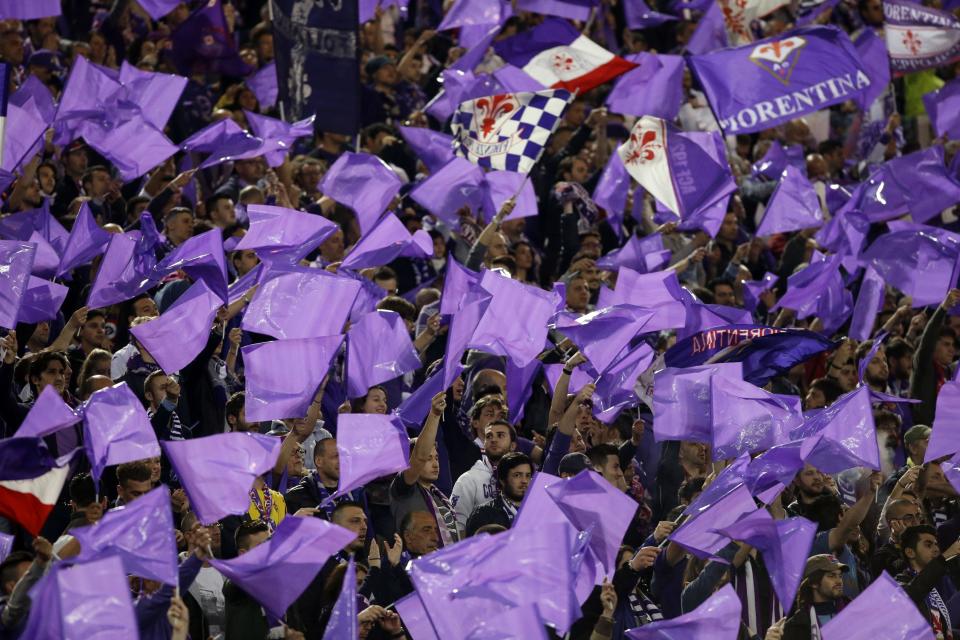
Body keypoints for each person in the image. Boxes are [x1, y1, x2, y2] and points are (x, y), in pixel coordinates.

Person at [390, 391, 458, 545]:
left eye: (436, 458)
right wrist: (434, 415)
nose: (435, 463)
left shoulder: (439, 496)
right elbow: (419, 457)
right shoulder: (403, 489)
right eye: (429, 459)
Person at [451, 419, 517, 534]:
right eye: (489, 436)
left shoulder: (523, 479)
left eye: (500, 435)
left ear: (512, 445)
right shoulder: (468, 480)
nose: (494, 440)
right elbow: (457, 527)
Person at [895, 525, 960, 638]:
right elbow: (913, 592)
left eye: (936, 544)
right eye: (928, 545)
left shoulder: (935, 583)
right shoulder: (900, 583)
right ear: (910, 552)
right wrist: (944, 558)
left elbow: (943, 630)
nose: (936, 549)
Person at [464, 452, 533, 536]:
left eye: (528, 476)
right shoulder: (483, 514)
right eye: (517, 475)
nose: (524, 481)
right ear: (502, 480)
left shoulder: (538, 512)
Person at [782, 555, 849, 640]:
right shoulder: (796, 626)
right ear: (814, 583)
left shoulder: (852, 610)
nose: (839, 581)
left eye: (840, 576)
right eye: (831, 576)